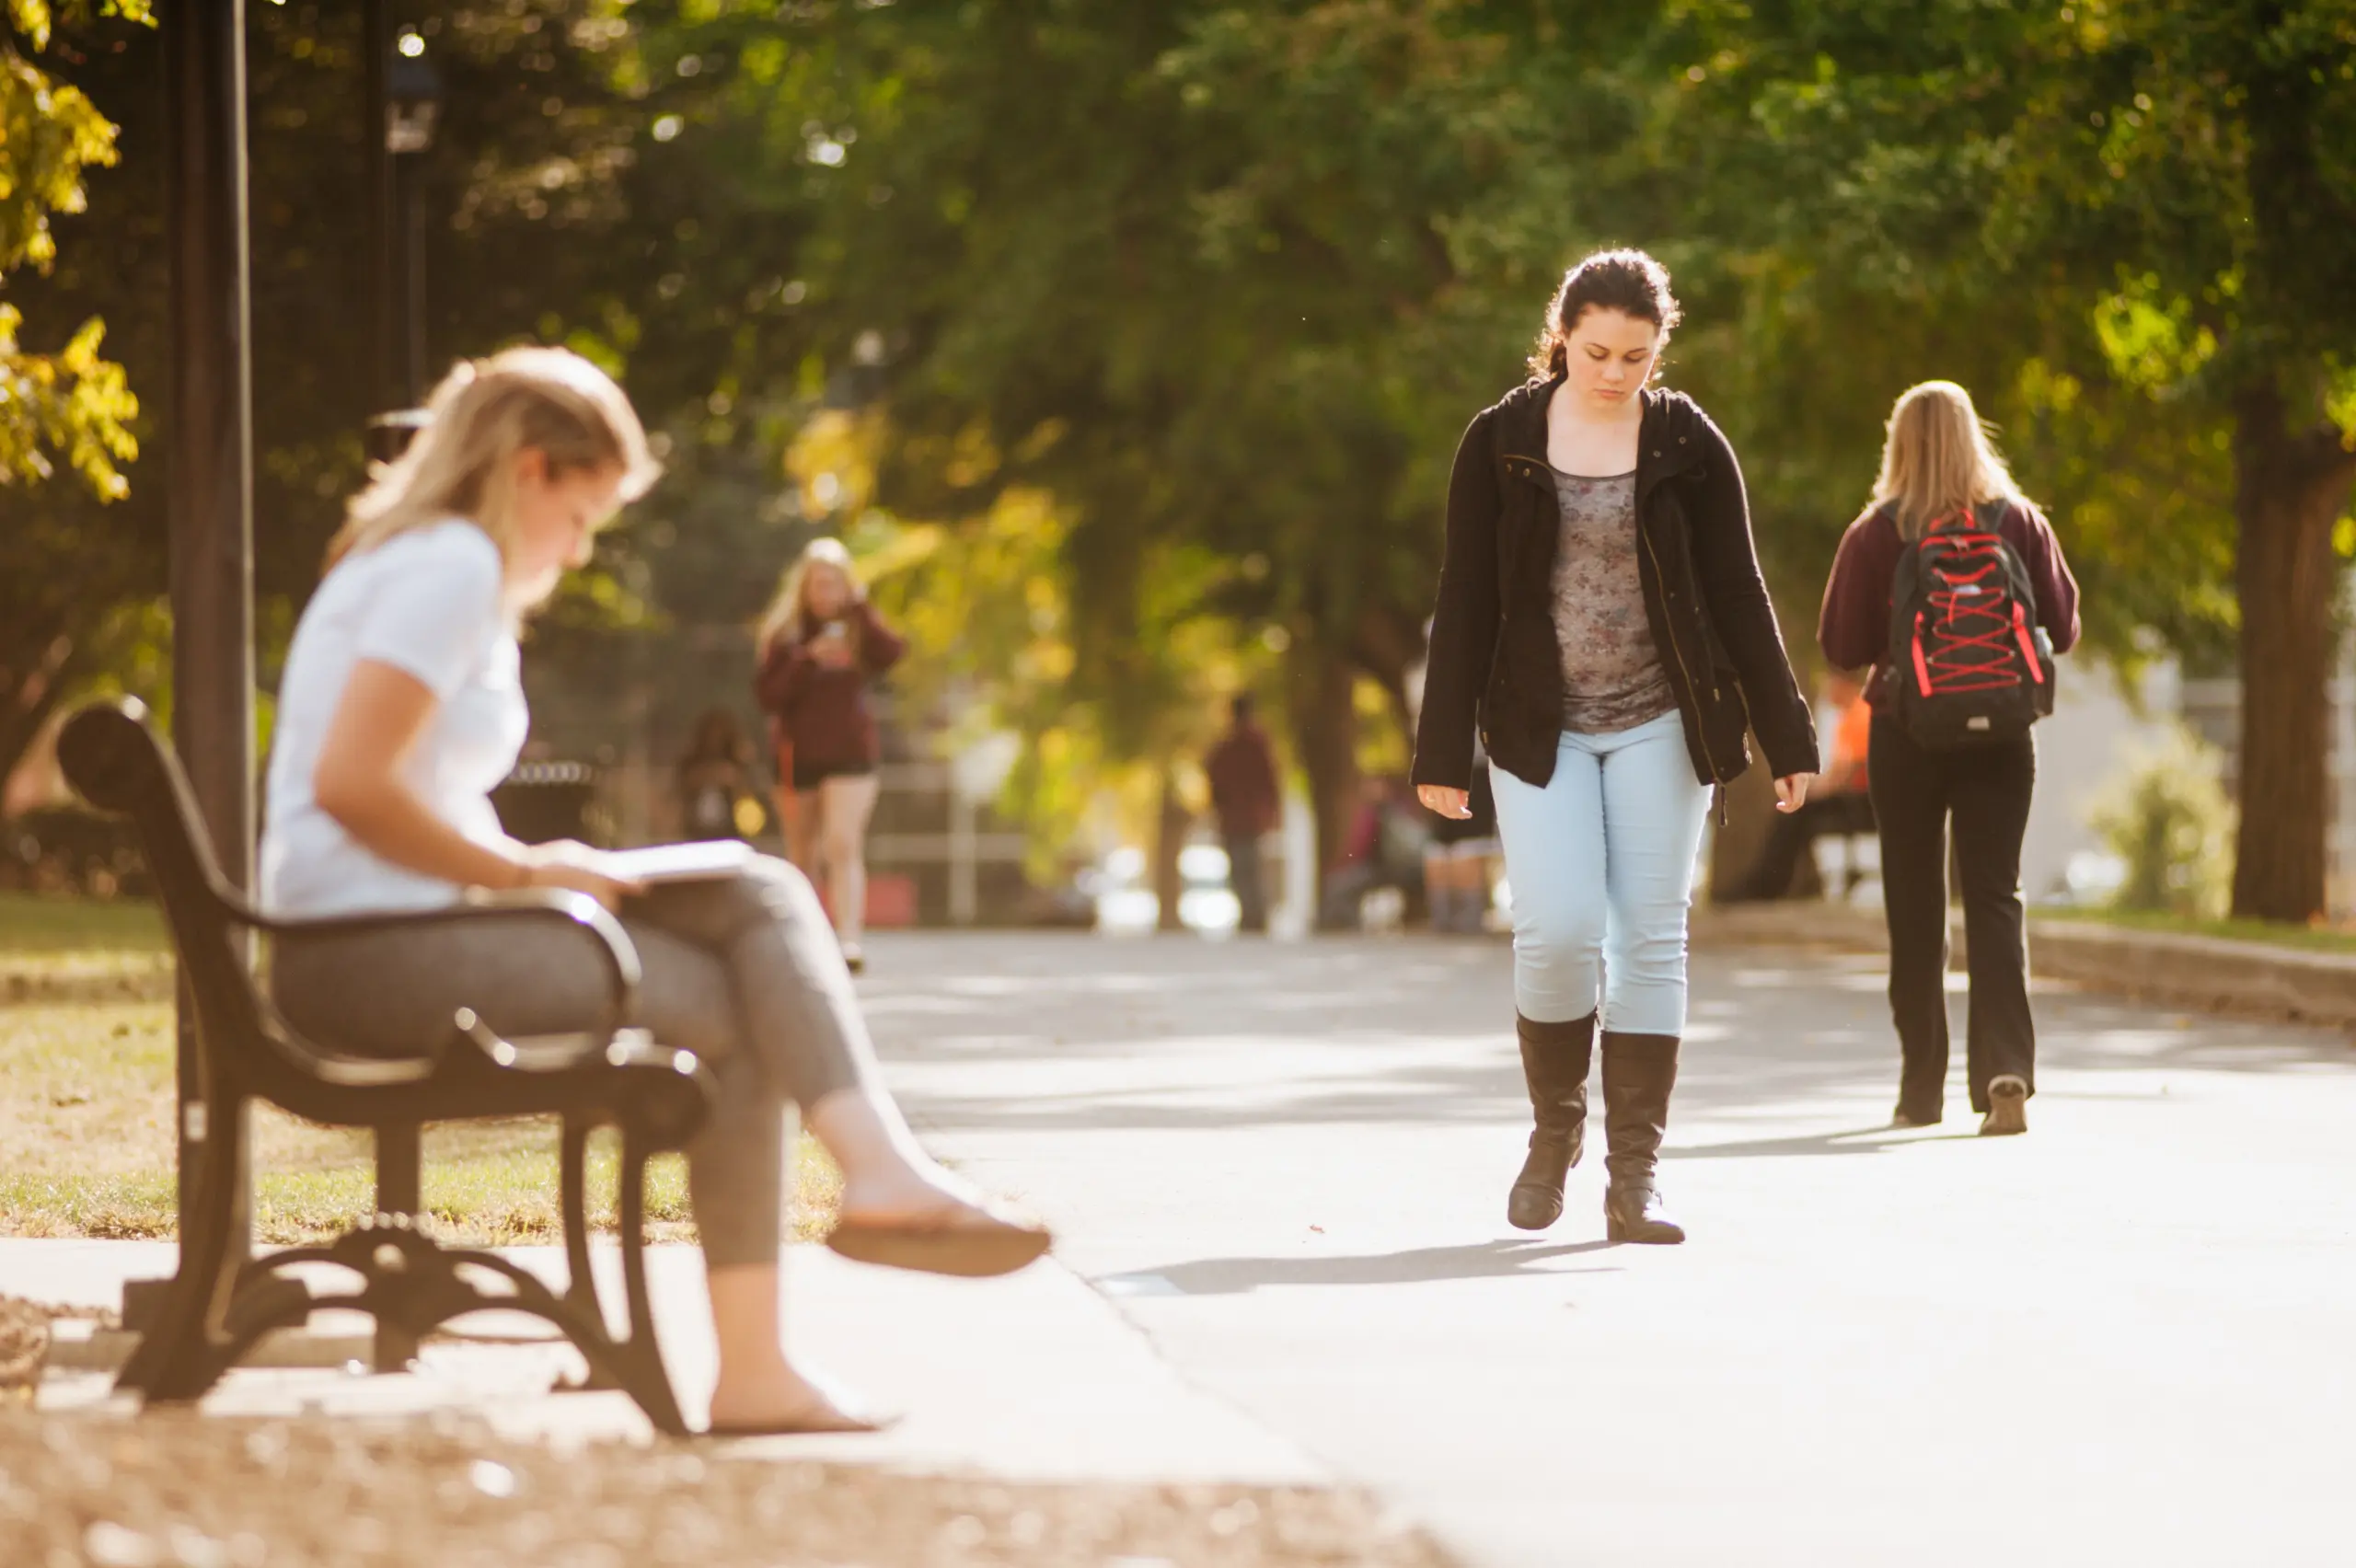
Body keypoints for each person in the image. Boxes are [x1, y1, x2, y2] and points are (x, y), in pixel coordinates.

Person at [258, 347, 1047, 1436]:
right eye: (581, 516)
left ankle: (864, 1202)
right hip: (364, 956)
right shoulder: (448, 567)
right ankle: (813, 1280)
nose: (579, 551)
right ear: (529, 469)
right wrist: (529, 873)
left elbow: (408, 788)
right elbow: (352, 788)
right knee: (741, 974)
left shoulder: (427, 563)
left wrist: (545, 875)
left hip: (402, 929)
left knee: (753, 893)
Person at [1413, 249, 1819, 1244]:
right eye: (1595, 351)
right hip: (1534, 724)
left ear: (1657, 351)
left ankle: (1634, 1177)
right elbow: (1464, 595)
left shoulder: (1688, 443)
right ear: (1562, 337)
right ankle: (1554, 1132)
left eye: (1635, 356)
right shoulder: (1500, 440)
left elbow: (1739, 594)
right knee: (1554, 929)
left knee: (1649, 933)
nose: (1612, 372)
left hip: (1660, 719)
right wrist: (1437, 750)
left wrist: (1786, 732)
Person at [1818, 380, 2080, 1136]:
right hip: (2002, 737)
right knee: (1996, 898)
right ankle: (2006, 1070)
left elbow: (1841, 648)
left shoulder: (1878, 532)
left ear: (1898, 443)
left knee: (1915, 903)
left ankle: (1919, 1089)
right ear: (1975, 438)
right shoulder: (2018, 522)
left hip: (1907, 736)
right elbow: (2062, 628)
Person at [754, 539, 907, 974]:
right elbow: (768, 696)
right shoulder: (785, 635)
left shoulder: (859, 628)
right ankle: (806, 939)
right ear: (804, 587)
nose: (826, 592)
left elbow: (891, 654)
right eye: (818, 584)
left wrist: (859, 609)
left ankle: (848, 939)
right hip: (798, 755)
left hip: (851, 754)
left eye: (834, 583)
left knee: (843, 842)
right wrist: (806, 660)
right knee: (803, 854)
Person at [1718, 676, 1876, 902]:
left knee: (1794, 814)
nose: (1826, 693)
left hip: (1861, 803)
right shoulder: (1850, 717)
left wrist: (1809, 793)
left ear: (1843, 683)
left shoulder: (1860, 713)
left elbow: (1847, 774)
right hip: (1855, 799)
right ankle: (1772, 881)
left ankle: (1768, 883)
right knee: (1794, 813)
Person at [1204, 694, 1281, 934]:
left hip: (1235, 818)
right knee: (1251, 868)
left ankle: (1252, 917)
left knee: (1242, 869)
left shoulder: (1229, 744)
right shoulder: (1257, 742)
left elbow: (1212, 774)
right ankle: (1255, 917)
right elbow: (1271, 781)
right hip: (1251, 817)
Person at [1318, 775, 1426, 931]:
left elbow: (1359, 847)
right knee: (1342, 883)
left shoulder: (1375, 814)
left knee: (1339, 884)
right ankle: (1347, 922)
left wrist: (1341, 864)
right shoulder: (1405, 807)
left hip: (1383, 869)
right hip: (1407, 868)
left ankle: (1345, 925)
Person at [1423, 749, 1499, 934]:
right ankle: (1464, 920)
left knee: (1444, 846)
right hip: (1473, 763)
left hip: (1436, 762)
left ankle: (1445, 918)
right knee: (1466, 845)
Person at [674, 708, 762, 843]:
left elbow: (749, 796)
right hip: (696, 828)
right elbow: (681, 787)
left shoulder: (738, 761)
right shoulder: (691, 761)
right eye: (711, 734)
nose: (715, 739)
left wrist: (735, 777)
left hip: (730, 830)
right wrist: (707, 776)